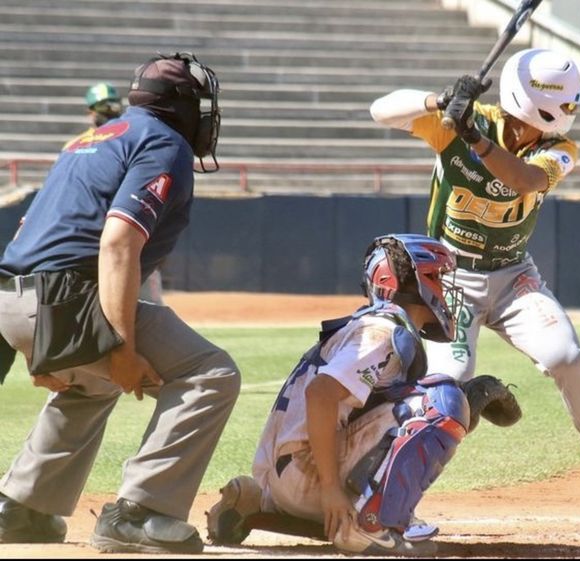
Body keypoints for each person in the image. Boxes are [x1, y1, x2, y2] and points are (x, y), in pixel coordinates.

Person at [369, 48, 580, 523]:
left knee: (566, 356)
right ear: (541, 107)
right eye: (568, 105)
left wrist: (475, 139)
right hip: (450, 278)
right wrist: (437, 101)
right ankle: (391, 496)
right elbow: (381, 110)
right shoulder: (458, 121)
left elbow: (522, 181)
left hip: (513, 274)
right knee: (449, 388)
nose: (573, 114)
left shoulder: (557, 149)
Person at [0, 52, 239, 554]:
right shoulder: (163, 141)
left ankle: (22, 507)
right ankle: (141, 513)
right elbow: (118, 242)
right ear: (182, 107)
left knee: (90, 383)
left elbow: (29, 231)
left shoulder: (89, 139)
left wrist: (34, 343)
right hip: (61, 301)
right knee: (211, 374)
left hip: (11, 298)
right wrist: (122, 348)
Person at [206, 234, 471, 556]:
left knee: (447, 397)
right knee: (440, 400)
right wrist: (331, 488)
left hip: (283, 478)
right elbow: (320, 394)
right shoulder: (381, 332)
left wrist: (475, 401)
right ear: (414, 282)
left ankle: (257, 502)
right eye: (438, 277)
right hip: (310, 475)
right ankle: (370, 525)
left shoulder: (374, 324)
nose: (446, 289)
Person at [65, 81, 165, 304]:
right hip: (94, 246)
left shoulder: (130, 140)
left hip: (123, 242)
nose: (109, 111)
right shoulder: (77, 145)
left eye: (112, 105)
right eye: (104, 107)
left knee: (145, 311)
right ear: (90, 112)